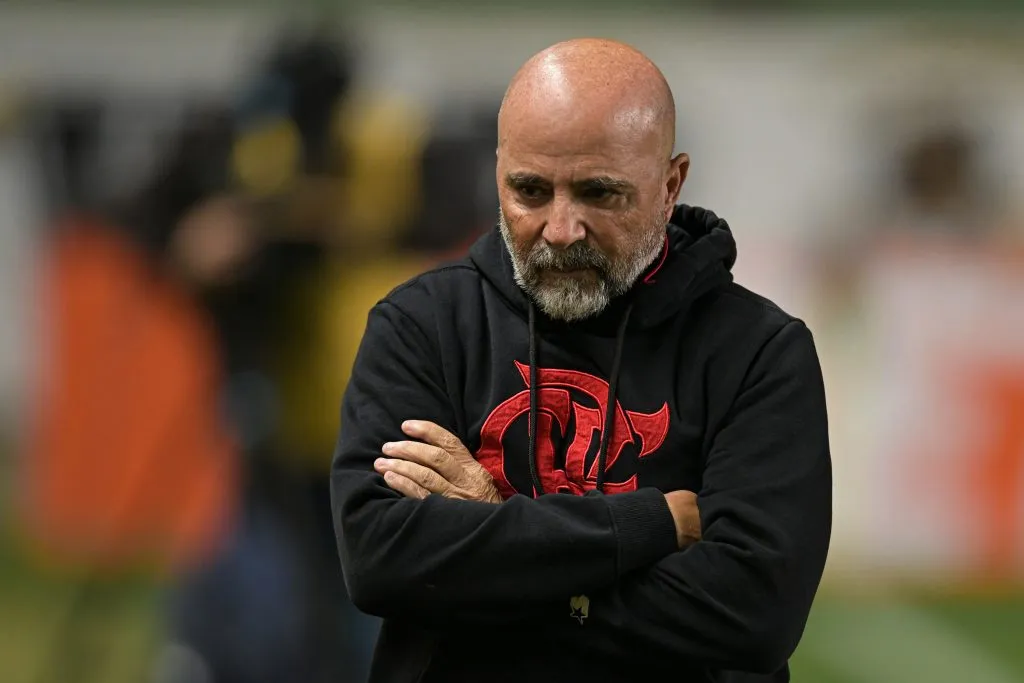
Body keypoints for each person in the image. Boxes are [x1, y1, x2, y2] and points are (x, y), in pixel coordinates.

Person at [330, 39, 832, 683]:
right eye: (531, 191)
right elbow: (381, 562)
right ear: (498, 175)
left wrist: (492, 535)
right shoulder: (421, 325)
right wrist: (648, 525)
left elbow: (753, 616)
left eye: (599, 193)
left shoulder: (760, 351)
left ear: (670, 183)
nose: (561, 229)